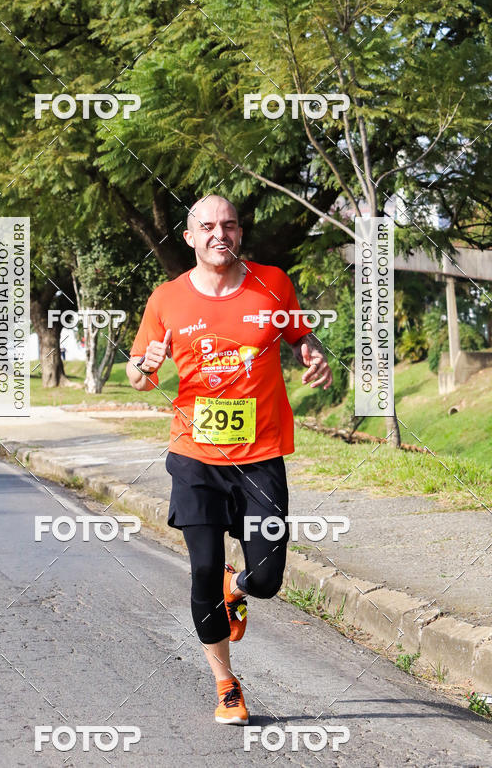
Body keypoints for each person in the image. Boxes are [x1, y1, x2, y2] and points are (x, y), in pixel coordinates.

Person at [126, 195, 332, 725]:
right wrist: (145, 366)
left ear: (240, 233)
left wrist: (312, 353)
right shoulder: (166, 299)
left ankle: (234, 587)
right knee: (201, 569)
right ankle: (226, 686)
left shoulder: (273, 283)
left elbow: (300, 336)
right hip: (194, 457)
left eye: (230, 225)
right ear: (190, 237)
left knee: (266, 577)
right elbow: (138, 376)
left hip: (260, 457)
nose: (220, 234)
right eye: (208, 226)